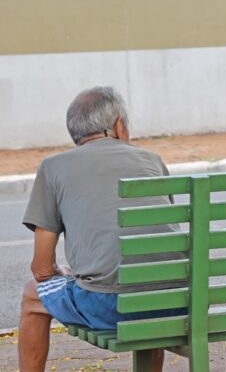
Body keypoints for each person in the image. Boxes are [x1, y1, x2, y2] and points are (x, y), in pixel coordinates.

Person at [18, 86, 184, 372]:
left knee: (33, 294)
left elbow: (42, 270)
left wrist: (64, 273)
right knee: (149, 277)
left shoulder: (53, 168)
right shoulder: (152, 161)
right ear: (120, 126)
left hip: (111, 306)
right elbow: (159, 243)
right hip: (179, 301)